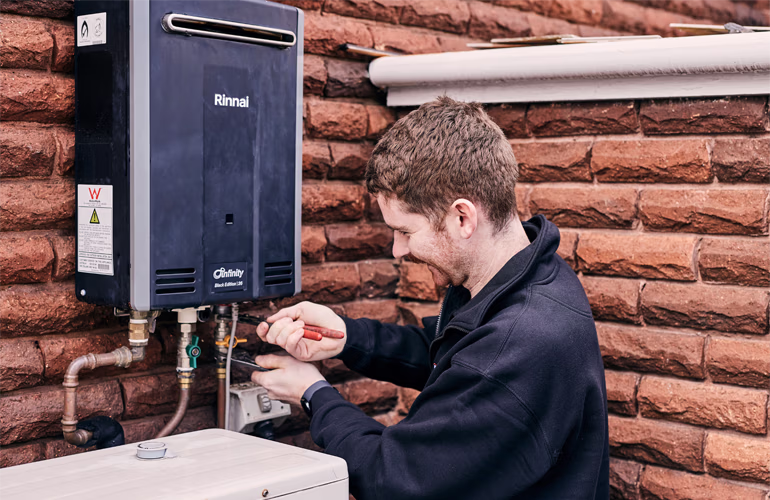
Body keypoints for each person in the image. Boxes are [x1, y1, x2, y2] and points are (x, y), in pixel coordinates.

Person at [251, 97, 609, 499]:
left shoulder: (522, 342)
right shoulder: (525, 272)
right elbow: (450, 356)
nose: (396, 250)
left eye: (405, 231)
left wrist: (313, 394)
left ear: (462, 217)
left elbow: (397, 478)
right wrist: (348, 339)